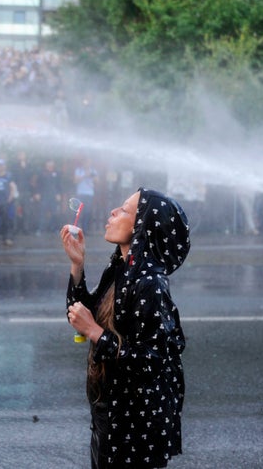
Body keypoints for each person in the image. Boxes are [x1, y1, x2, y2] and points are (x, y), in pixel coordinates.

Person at [60, 188, 191, 468]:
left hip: (134, 427)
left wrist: (95, 331)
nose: (113, 213)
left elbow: (150, 361)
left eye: (125, 210)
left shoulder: (149, 284)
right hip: (111, 412)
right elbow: (80, 316)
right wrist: (77, 265)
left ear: (142, 226)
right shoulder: (121, 268)